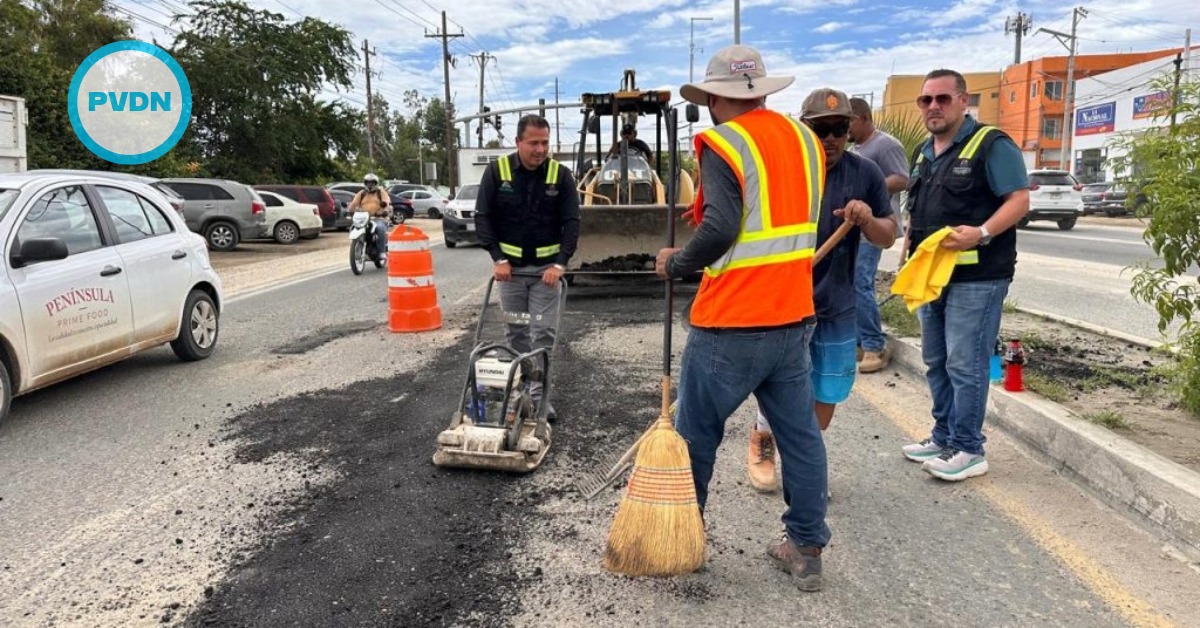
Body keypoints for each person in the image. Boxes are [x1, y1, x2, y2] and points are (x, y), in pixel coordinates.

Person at [655, 45, 829, 592]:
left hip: (732, 321)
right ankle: (805, 549)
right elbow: (768, 211)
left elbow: (725, 230)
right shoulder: (804, 141)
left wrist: (678, 263)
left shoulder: (722, 142)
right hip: (793, 317)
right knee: (800, 437)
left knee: (695, 436)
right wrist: (708, 207)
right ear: (763, 90)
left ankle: (686, 538)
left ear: (711, 98)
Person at [747, 89, 897, 493]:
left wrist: (866, 219)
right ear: (804, 129)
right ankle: (765, 438)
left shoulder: (863, 174)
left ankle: (802, 458)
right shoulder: (782, 170)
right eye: (821, 129)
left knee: (825, 398)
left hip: (835, 303)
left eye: (839, 128)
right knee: (777, 386)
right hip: (784, 304)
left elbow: (888, 235)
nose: (830, 138)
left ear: (850, 130)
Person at [900, 69, 1029, 481]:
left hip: (979, 278)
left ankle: (969, 448)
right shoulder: (925, 151)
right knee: (936, 359)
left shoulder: (991, 144)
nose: (933, 107)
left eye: (942, 98)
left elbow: (1019, 199)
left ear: (962, 101)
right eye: (926, 100)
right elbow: (915, 213)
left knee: (965, 363)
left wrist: (983, 232)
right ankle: (943, 436)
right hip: (933, 276)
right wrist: (907, 253)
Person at [475, 114, 580, 421]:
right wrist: (498, 258)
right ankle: (520, 393)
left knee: (543, 334)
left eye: (545, 142)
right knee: (516, 334)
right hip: (511, 275)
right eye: (533, 142)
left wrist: (560, 263)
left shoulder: (560, 175)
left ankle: (541, 399)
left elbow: (571, 222)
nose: (540, 149)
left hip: (546, 277)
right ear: (518, 142)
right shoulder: (498, 171)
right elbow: (483, 217)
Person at [848, 97, 910, 374]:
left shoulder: (885, 144)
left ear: (863, 117)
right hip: (852, 227)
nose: (844, 128)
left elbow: (902, 177)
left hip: (874, 225)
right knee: (850, 284)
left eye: (848, 121)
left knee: (861, 282)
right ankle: (860, 343)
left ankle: (875, 345)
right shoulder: (855, 147)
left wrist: (867, 188)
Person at [348, 173, 391, 260]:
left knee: (379, 228)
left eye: (372, 183)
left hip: (379, 218)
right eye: (368, 182)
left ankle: (382, 251)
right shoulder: (361, 193)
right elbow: (354, 204)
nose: (370, 184)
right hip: (364, 218)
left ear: (376, 183)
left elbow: (386, 202)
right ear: (365, 183)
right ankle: (359, 246)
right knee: (354, 227)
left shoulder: (381, 192)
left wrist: (385, 210)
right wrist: (349, 210)